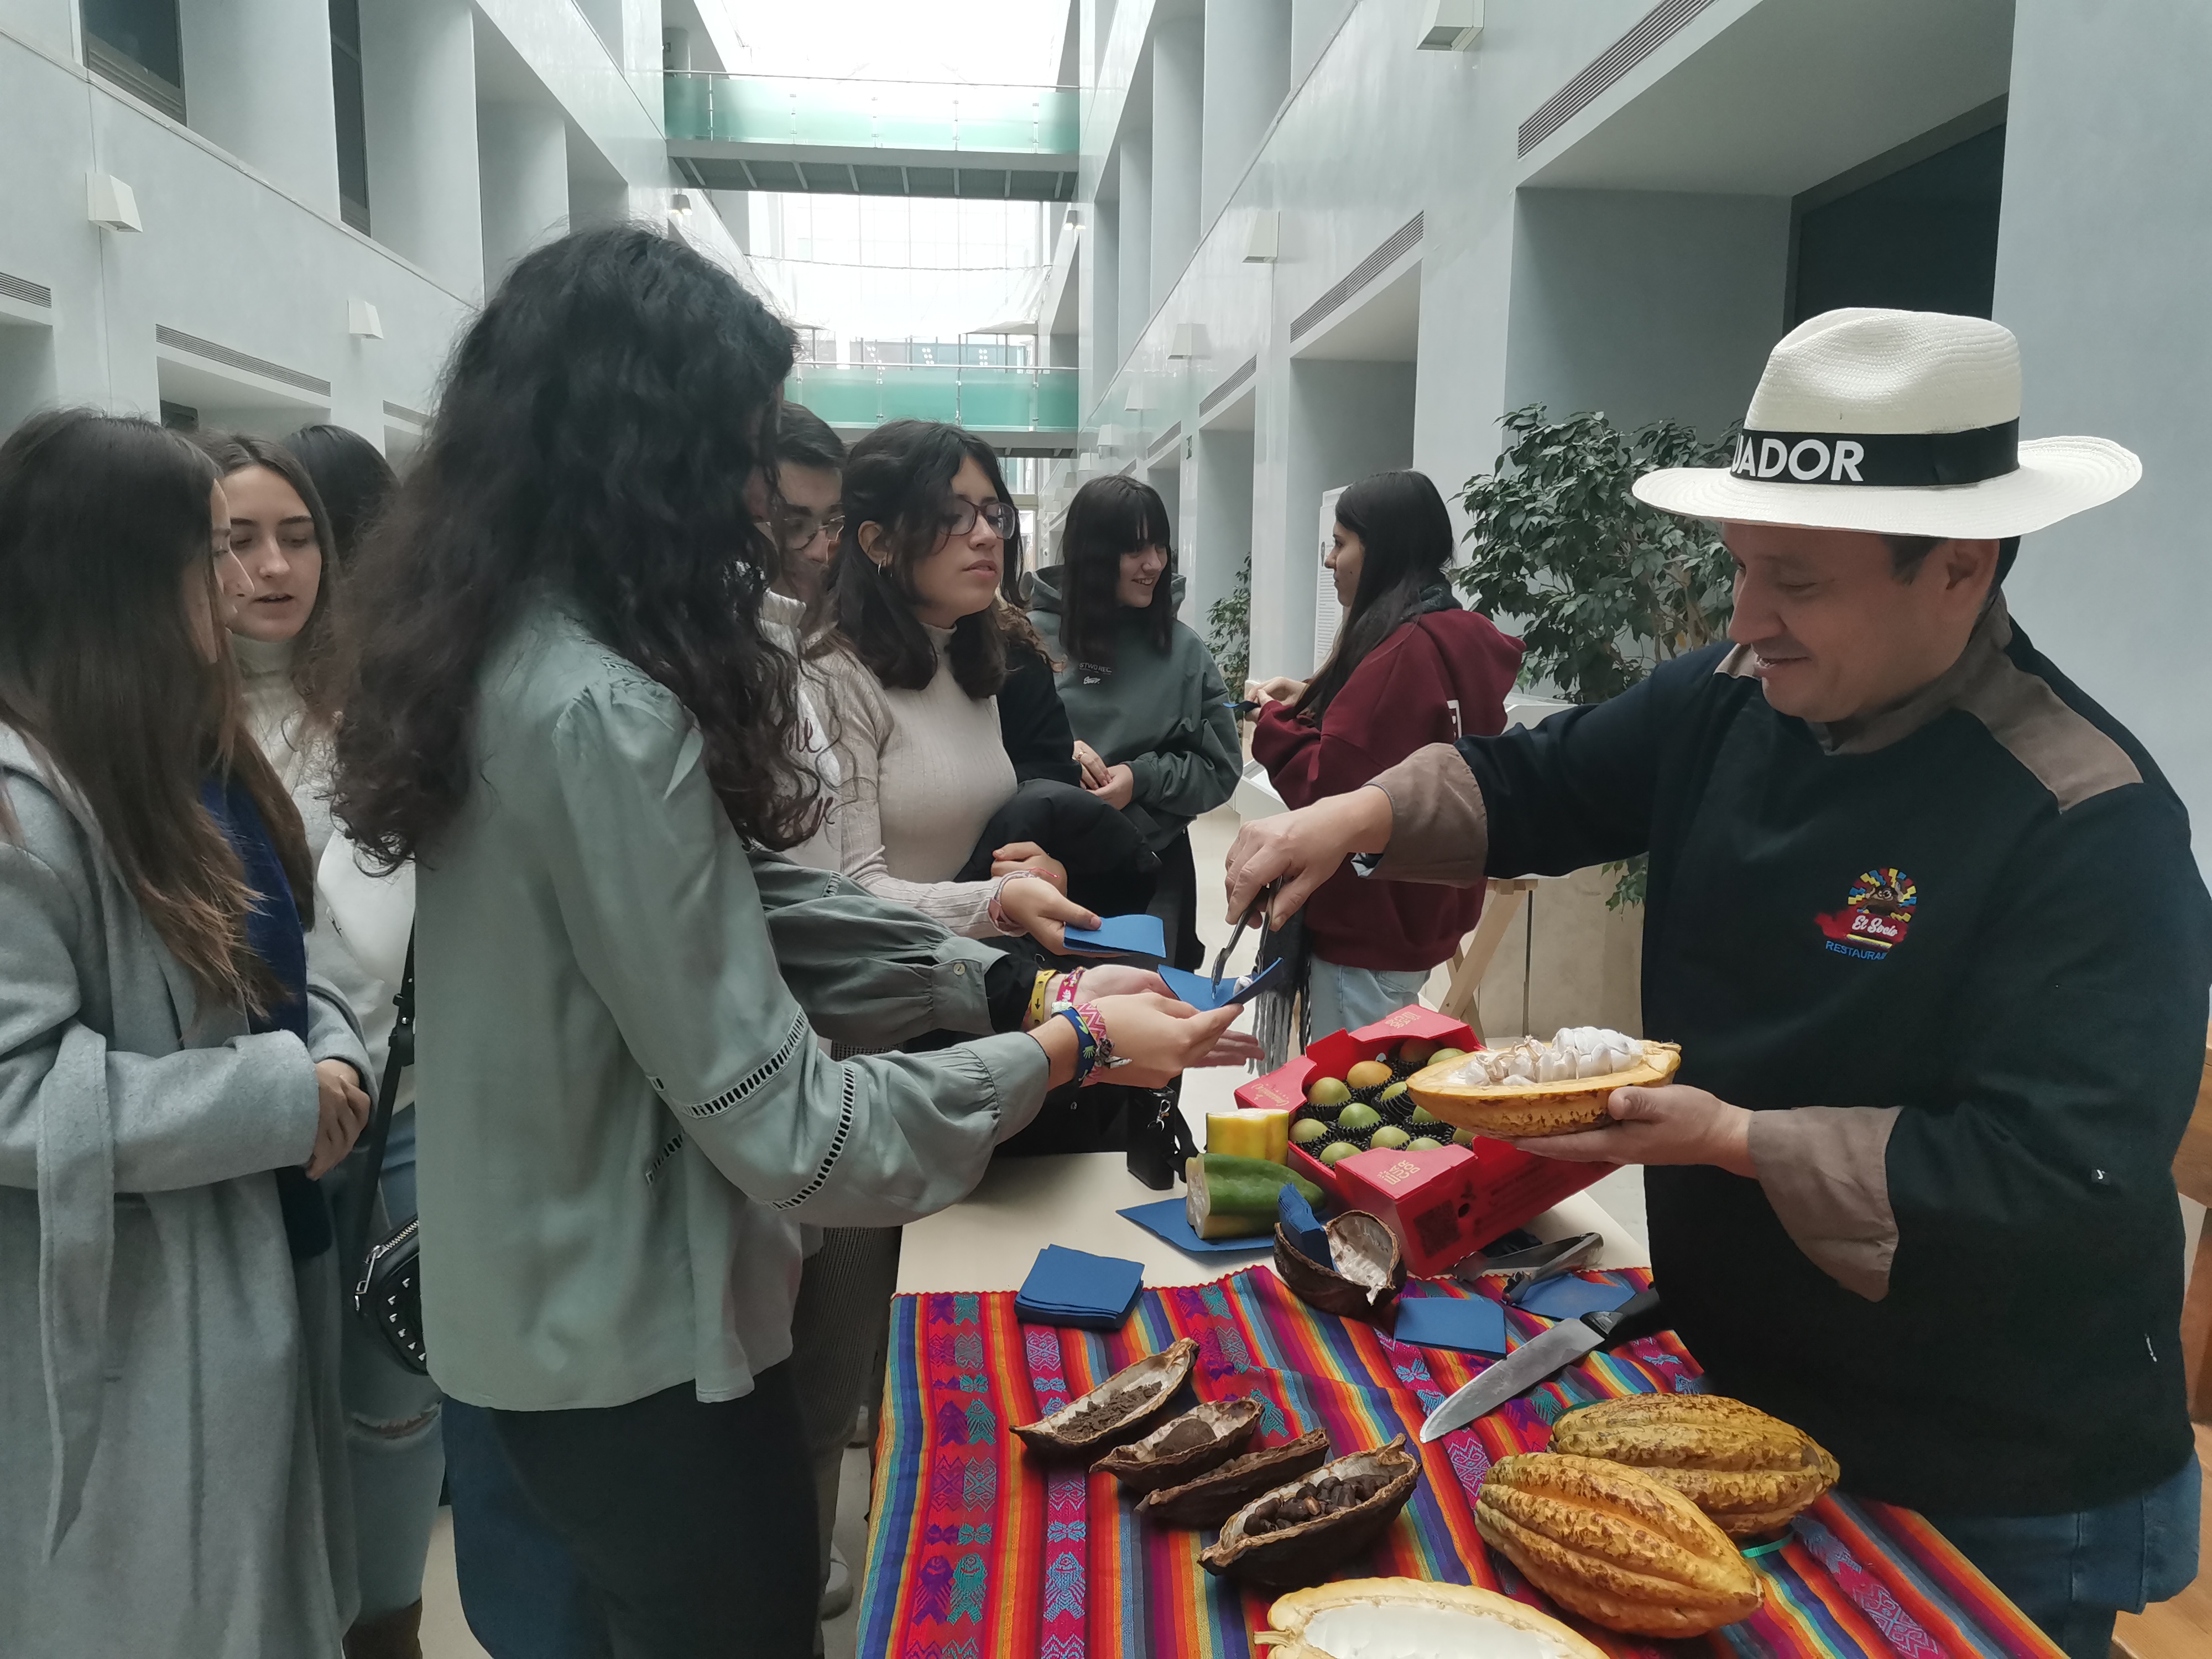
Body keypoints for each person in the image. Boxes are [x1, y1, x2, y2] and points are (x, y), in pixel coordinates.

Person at [1224, 309, 2205, 1657]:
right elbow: (1541, 778)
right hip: (1744, 1395)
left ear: (1959, 568)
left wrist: (1734, 1140)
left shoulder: (2084, 818)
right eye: (1740, 566)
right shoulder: (1729, 697)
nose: (1746, 618)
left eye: (1794, 580)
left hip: (1990, 1458)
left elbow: (2061, 1172)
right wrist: (1349, 817)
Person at [328, 227, 1236, 1659]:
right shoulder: (601, 716)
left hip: (566, 1321)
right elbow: (796, 1129)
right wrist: (1065, 1044)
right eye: (742, 460)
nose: (762, 509)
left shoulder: (528, 660)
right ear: (653, 455)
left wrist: (1003, 969)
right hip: (637, 1348)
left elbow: (747, 901)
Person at [0, 410, 374, 1654]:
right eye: (213, 546)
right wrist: (280, 1096)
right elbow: (15, 1093)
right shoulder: (25, 806)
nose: (244, 578)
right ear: (114, 569)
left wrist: (332, 1056)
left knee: (279, 1589)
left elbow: (289, 960)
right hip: (140, 1308)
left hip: (267, 1241)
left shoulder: (185, 755)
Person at [209, 424, 439, 1659]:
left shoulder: (383, 710)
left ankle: (389, 1630)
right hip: (248, 1122)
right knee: (272, 1415)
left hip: (401, 1103)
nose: (270, 565)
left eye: (296, 536)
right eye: (235, 540)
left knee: (395, 1398)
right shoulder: (159, 729)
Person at [1248, 471, 1523, 1038]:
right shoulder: (1457, 635)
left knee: (1350, 1106)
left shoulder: (1400, 652)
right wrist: (1316, 702)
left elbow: (1330, 790)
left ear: (1383, 548)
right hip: (1425, 910)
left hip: (1370, 923)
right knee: (1384, 1097)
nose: (1330, 560)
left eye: (1341, 542)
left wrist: (1273, 726)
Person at [810, 419, 1095, 946]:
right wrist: (999, 902)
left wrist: (1038, 870)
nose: (986, 535)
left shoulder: (969, 660)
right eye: (953, 516)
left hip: (979, 988)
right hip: (888, 1010)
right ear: (879, 542)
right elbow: (848, 892)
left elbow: (980, 849)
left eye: (994, 514)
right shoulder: (835, 675)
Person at [1029, 475, 1240, 971]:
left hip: (1154, 866)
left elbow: (1221, 768)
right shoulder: (1028, 639)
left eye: (1161, 546)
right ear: (1092, 553)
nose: (1154, 564)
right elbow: (990, 752)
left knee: (1148, 1017)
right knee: (1056, 1020)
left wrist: (1140, 779)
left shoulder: (1183, 651)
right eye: (1135, 549)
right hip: (1044, 866)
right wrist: (1062, 753)